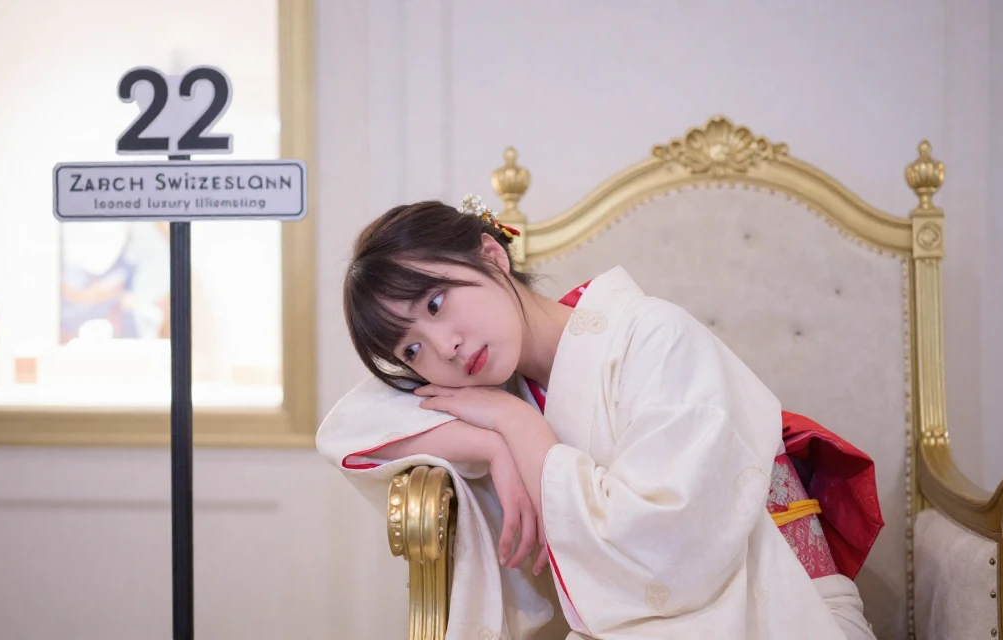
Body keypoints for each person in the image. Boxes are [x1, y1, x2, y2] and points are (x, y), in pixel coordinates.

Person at [316, 197, 883, 639]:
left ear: (491, 255)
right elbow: (345, 432)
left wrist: (518, 426)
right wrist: (493, 441)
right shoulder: (502, 394)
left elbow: (667, 547)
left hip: (780, 610)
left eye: (436, 303)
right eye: (412, 349)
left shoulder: (653, 335)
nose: (445, 348)